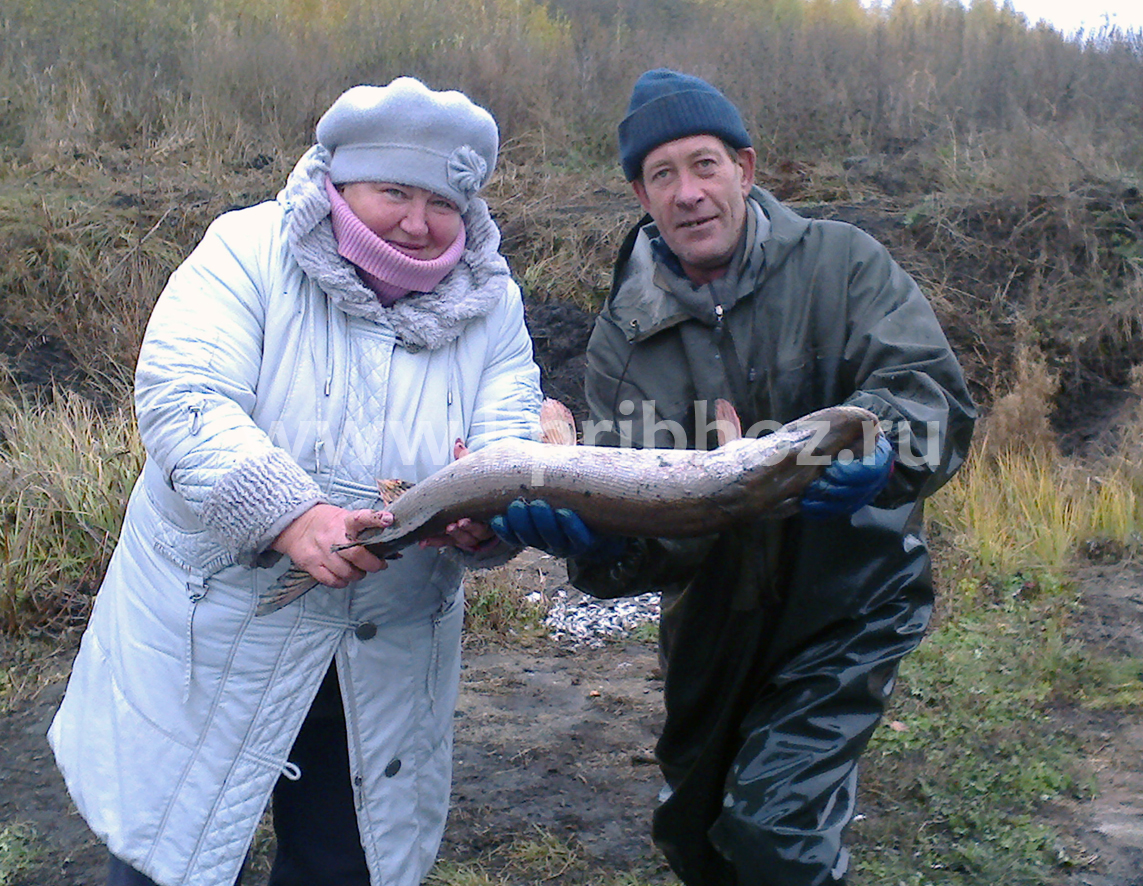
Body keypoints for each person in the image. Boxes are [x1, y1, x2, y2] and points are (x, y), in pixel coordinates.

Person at [48, 76, 543, 886]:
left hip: (383, 651)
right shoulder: (245, 251)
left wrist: (487, 520)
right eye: (393, 191)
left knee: (343, 864)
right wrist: (290, 514)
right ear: (339, 182)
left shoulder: (493, 305)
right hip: (212, 641)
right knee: (175, 850)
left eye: (442, 204)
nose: (418, 224)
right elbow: (186, 398)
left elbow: (506, 440)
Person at [490, 69, 976, 885]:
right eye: (661, 175)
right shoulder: (623, 341)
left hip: (847, 601)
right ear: (640, 196)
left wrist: (882, 449)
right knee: (697, 837)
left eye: (704, 164)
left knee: (773, 833)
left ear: (745, 170)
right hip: (709, 622)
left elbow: (929, 393)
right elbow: (647, 552)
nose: (687, 192)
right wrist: (598, 542)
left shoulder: (843, 264)